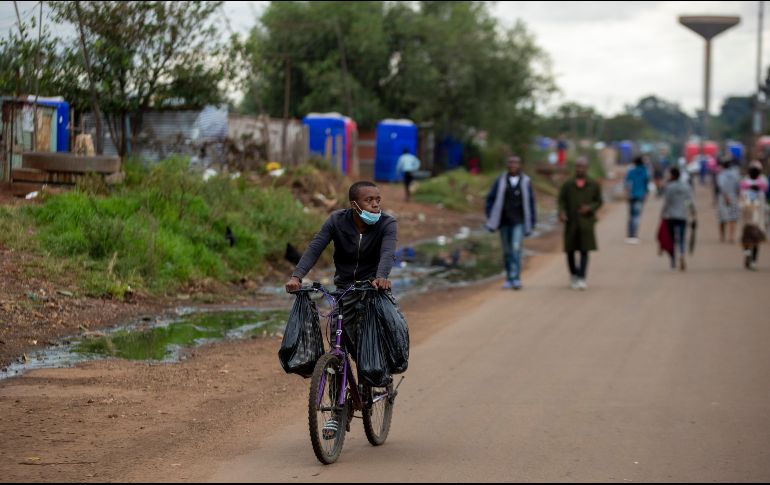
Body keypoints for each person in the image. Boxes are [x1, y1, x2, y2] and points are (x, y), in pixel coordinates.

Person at [285, 181, 397, 439]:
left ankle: (376, 380)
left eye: (378, 199)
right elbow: (315, 247)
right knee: (337, 350)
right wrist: (297, 276)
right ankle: (337, 412)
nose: (376, 204)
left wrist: (381, 277)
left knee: (367, 348)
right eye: (370, 200)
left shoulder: (387, 224)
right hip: (343, 290)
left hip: (372, 290)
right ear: (354, 205)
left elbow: (388, 253)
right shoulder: (336, 221)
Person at [485, 156, 537, 290]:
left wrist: (532, 221)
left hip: (518, 221)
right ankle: (508, 277)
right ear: (507, 165)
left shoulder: (525, 181)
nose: (513, 165)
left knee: (516, 248)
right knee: (507, 251)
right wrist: (491, 215)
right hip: (503, 221)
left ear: (520, 165)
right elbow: (490, 199)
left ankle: (516, 278)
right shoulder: (501, 181)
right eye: (510, 163)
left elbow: (531, 203)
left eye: (515, 163)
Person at [558, 157, 603, 290]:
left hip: (586, 223)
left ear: (586, 168)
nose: (580, 169)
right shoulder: (568, 185)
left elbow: (599, 201)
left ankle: (582, 277)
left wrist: (590, 208)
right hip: (571, 222)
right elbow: (561, 200)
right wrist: (562, 212)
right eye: (578, 167)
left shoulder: (593, 185)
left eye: (582, 167)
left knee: (584, 250)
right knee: (570, 250)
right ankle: (573, 274)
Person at [661, 167, 695, 271]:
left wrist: (663, 214)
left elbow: (667, 202)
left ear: (672, 175)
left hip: (671, 216)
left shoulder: (669, 187)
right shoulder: (686, 187)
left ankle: (673, 261)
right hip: (683, 215)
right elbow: (689, 201)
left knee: (671, 239)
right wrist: (692, 211)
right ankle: (682, 253)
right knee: (681, 238)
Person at [739, 161, 769, 270]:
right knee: (756, 242)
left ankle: (747, 253)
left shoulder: (744, 187)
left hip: (747, 221)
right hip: (757, 222)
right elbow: (764, 207)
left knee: (746, 240)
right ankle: (754, 261)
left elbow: (740, 205)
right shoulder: (762, 189)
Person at [624, 156, 649, 244]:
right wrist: (646, 193)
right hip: (640, 196)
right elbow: (646, 184)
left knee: (631, 216)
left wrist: (627, 193)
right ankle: (634, 235)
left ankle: (630, 235)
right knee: (636, 216)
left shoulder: (631, 171)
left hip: (631, 196)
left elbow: (627, 183)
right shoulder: (644, 171)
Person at [716, 158, 741, 244]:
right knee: (733, 218)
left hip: (723, 197)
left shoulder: (721, 174)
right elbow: (738, 186)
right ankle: (731, 237)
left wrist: (726, 196)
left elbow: (721, 186)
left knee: (722, 218)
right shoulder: (735, 174)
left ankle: (722, 236)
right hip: (733, 196)